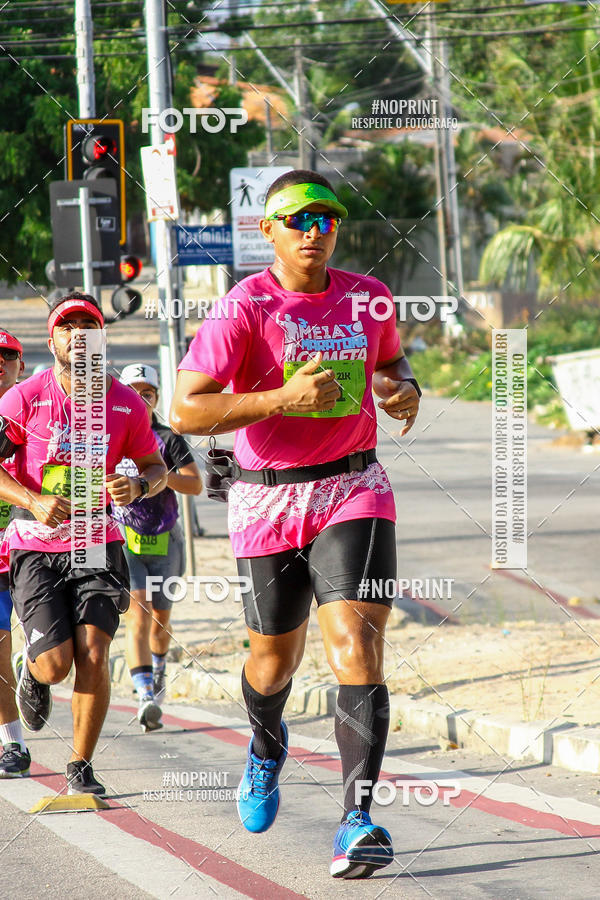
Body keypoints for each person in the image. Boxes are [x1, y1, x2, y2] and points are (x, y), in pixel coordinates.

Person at [170, 169, 421, 878]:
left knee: (356, 647)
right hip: (268, 498)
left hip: (354, 487)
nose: (315, 231)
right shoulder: (243, 307)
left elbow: (395, 365)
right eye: (299, 219)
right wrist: (282, 395)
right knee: (272, 662)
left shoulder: (368, 299)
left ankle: (356, 820)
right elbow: (186, 411)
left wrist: (403, 392)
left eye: (328, 218)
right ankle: (263, 746)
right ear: (268, 229)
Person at [0, 292, 167, 795]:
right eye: (67, 326)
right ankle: (31, 668)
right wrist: (30, 499)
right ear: (51, 340)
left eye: (87, 326)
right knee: (54, 665)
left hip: (99, 541)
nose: (78, 333)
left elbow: (157, 467)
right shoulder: (23, 399)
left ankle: (80, 766)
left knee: (94, 649)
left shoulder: (126, 403)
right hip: (36, 544)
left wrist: (138, 485)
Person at [112, 363, 202, 732]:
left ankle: (159, 666)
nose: (140, 398)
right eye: (132, 390)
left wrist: (163, 479)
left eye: (147, 393)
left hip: (167, 539)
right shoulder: (111, 435)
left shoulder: (169, 438)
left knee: (160, 621)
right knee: (138, 614)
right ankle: (145, 694)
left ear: (156, 399)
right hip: (126, 539)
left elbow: (196, 485)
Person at [0, 330, 31, 778]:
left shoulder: (36, 407)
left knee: (53, 651)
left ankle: (36, 665)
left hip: (36, 544)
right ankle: (13, 743)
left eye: (7, 356)